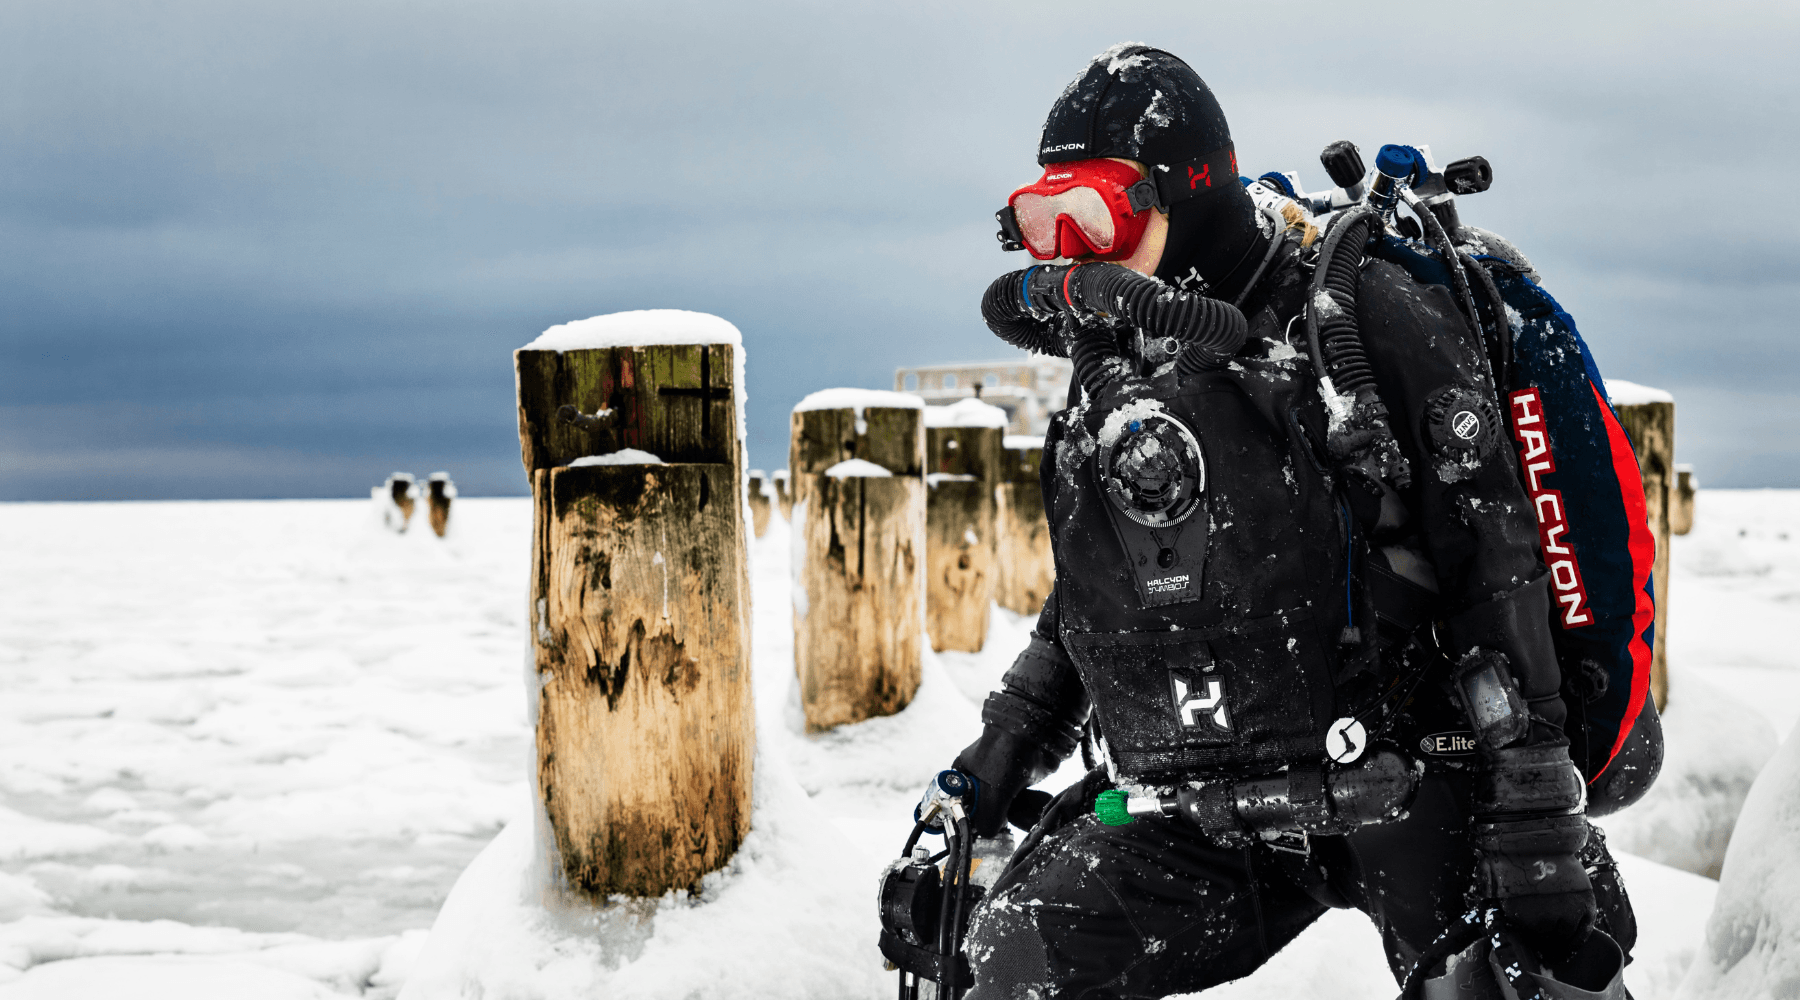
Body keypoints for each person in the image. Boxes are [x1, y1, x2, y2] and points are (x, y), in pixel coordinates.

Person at [937, 44, 1658, 998]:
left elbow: (1498, 562)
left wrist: (1534, 822)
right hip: (1208, 807)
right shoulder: (1123, 361)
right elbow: (1095, 605)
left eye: (1093, 216)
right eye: (1042, 221)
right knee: (1013, 960)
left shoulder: (1358, 314)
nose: (1072, 256)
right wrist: (994, 762)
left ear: (1179, 194)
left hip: (1410, 776)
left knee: (1508, 980)